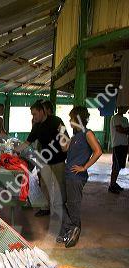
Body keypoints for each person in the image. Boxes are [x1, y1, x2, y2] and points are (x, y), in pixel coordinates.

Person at [58, 106, 102, 247]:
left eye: (71, 119)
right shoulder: (76, 136)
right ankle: (70, 229)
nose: (70, 122)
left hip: (76, 177)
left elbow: (98, 151)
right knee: (59, 202)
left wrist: (84, 167)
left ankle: (72, 232)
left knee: (73, 205)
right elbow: (65, 148)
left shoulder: (87, 134)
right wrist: (62, 133)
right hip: (69, 174)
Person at [16, 100, 67, 218]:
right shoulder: (37, 126)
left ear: (42, 111)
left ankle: (61, 209)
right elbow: (28, 142)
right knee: (44, 185)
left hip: (58, 160)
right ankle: (46, 208)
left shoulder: (56, 121)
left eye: (34, 114)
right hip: (44, 160)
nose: (33, 117)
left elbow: (64, 135)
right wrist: (15, 151)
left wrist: (65, 147)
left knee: (59, 185)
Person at [108, 106, 129, 194]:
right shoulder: (115, 118)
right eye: (124, 107)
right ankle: (111, 186)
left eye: (127, 108)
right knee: (116, 166)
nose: (126, 109)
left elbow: (125, 130)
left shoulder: (125, 119)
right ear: (119, 108)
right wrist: (126, 130)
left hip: (124, 145)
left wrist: (125, 130)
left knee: (119, 166)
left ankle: (114, 183)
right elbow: (119, 129)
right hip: (117, 145)